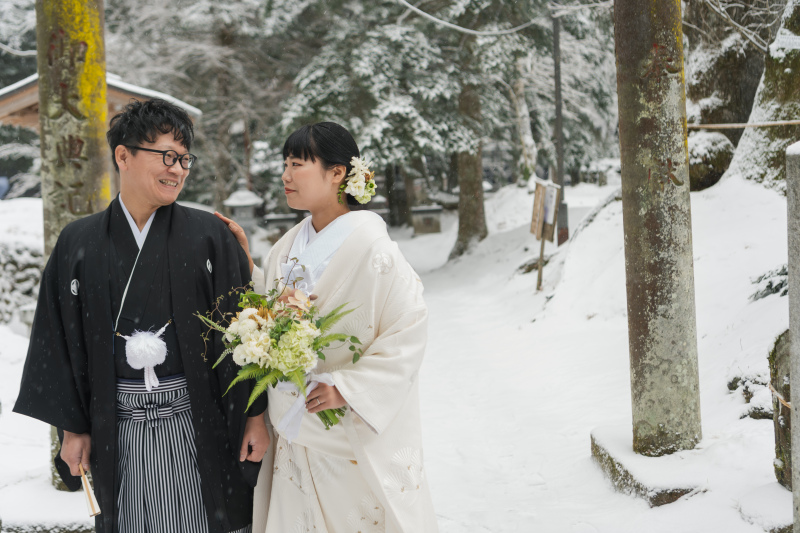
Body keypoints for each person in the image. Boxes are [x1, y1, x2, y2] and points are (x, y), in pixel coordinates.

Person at [13, 98, 270, 533]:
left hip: (198, 419)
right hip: (116, 424)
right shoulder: (78, 241)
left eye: (184, 158)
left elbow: (244, 332)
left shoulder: (210, 235)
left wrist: (255, 414)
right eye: (167, 156)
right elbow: (58, 340)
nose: (178, 169)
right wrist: (71, 429)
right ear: (123, 155)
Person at [217, 122, 438, 533]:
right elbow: (275, 309)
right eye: (285, 163)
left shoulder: (375, 250)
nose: (285, 175)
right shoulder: (287, 244)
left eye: (297, 164)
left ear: (338, 173)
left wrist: (348, 388)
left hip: (341, 427)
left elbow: (408, 329)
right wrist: (247, 265)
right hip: (292, 426)